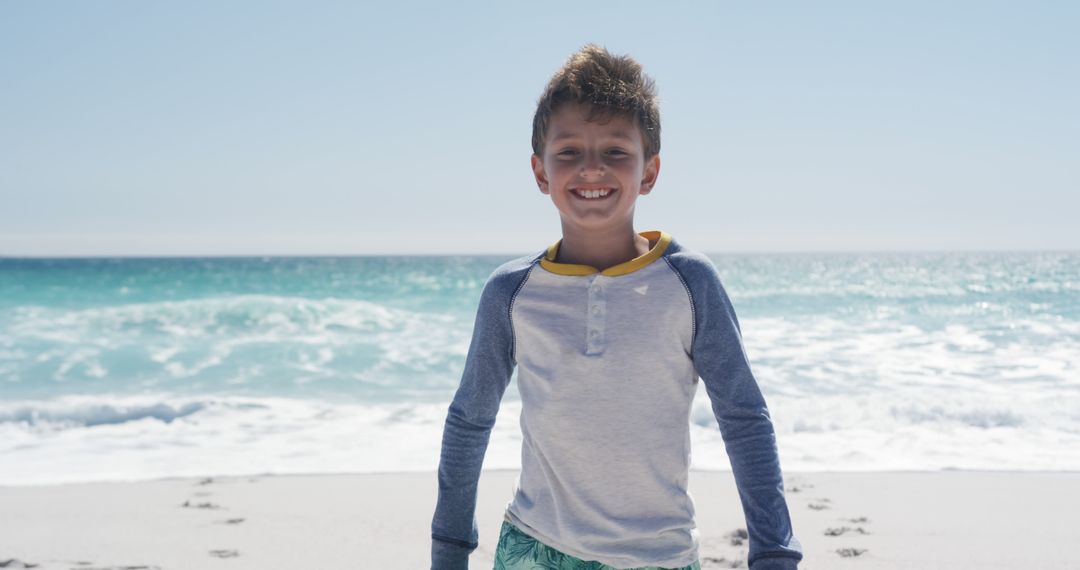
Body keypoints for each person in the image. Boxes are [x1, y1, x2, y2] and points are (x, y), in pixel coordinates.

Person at [431, 43, 803, 570]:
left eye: (614, 152)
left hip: (659, 557)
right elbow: (470, 420)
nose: (591, 169)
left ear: (649, 172)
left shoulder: (690, 283)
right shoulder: (511, 293)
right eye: (568, 153)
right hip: (533, 549)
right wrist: (449, 550)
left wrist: (774, 550)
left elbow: (743, 417)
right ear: (540, 173)